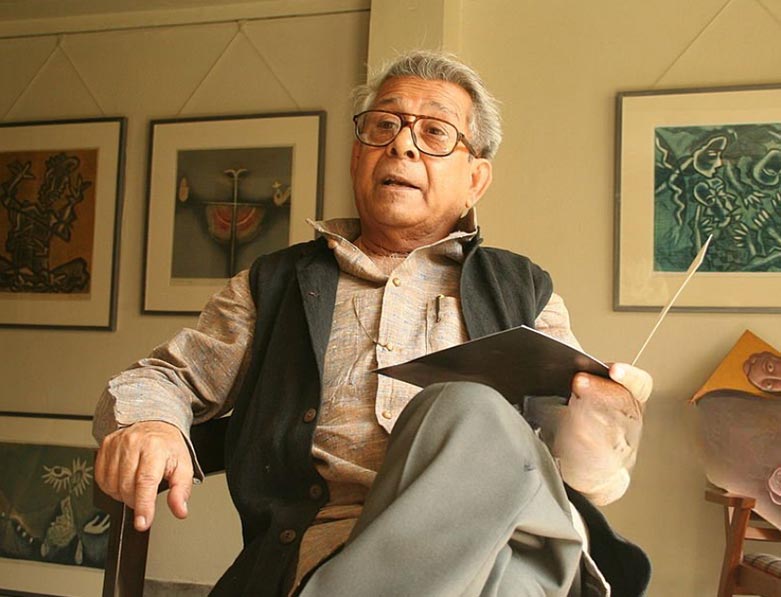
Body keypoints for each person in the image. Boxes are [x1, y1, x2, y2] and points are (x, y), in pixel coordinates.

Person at [93, 50, 653, 596]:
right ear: (357, 156)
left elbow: (583, 477)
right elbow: (161, 378)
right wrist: (155, 424)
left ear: (475, 181)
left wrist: (605, 425)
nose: (402, 144)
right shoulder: (273, 285)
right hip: (332, 549)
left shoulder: (524, 289)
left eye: (435, 132)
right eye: (383, 125)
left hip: (499, 542)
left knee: (466, 409)